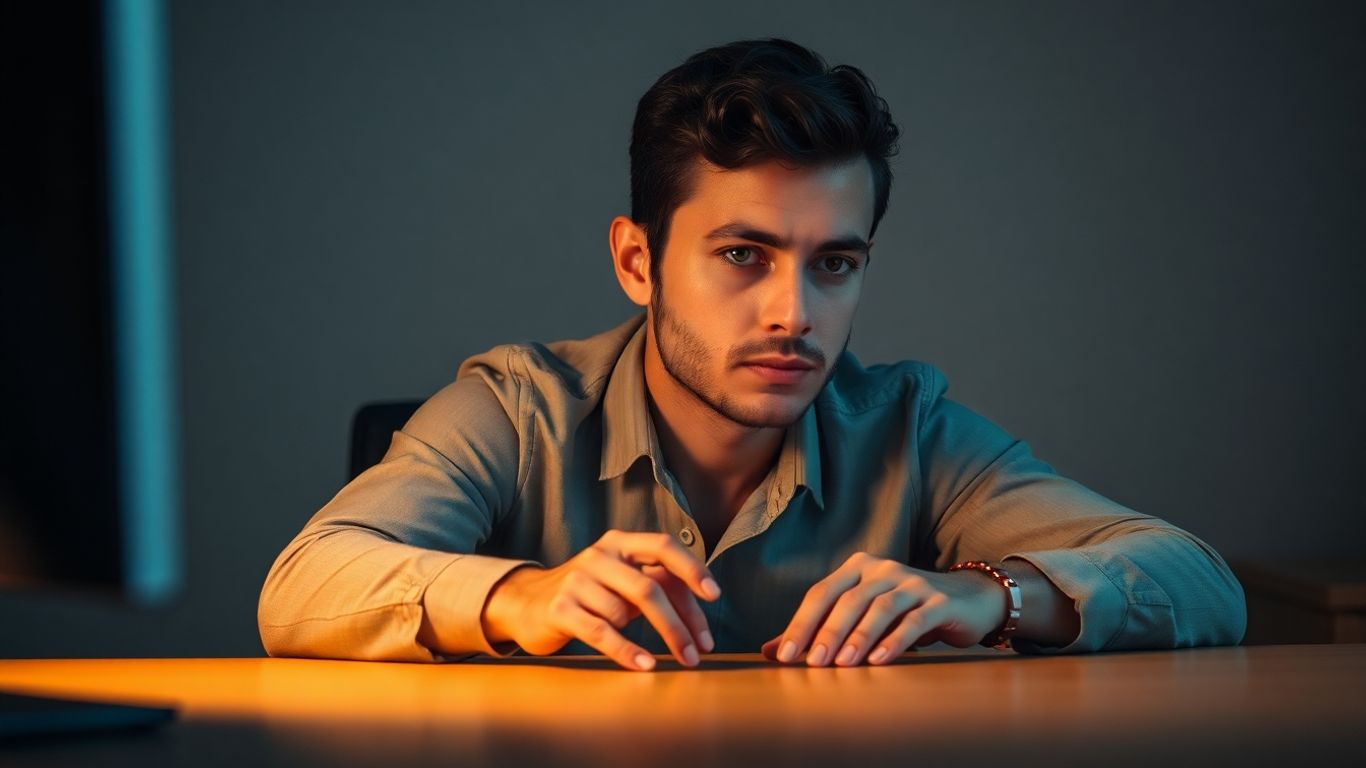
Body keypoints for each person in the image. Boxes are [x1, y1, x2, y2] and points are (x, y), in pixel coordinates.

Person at [258, 38, 1246, 671]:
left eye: (835, 264)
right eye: (744, 256)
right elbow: (303, 584)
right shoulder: (515, 410)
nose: (795, 313)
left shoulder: (908, 425)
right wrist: (521, 594)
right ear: (637, 262)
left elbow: (1201, 581)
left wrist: (991, 593)